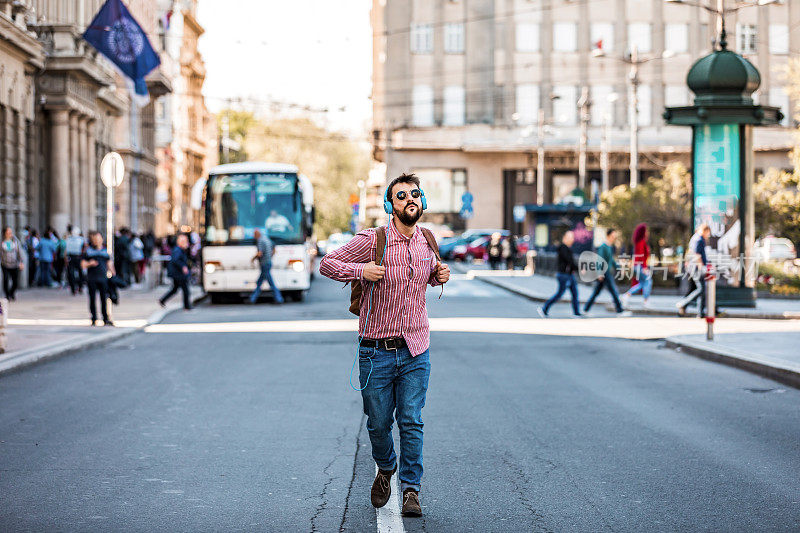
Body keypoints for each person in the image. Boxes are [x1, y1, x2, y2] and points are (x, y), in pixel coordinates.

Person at [319, 172, 450, 518]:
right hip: (375, 350)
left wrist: (439, 274)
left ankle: (410, 490)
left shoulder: (428, 241)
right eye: (401, 195)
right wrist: (362, 272)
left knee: (411, 419)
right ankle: (386, 467)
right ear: (390, 205)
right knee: (378, 423)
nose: (410, 199)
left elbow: (430, 273)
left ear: (421, 201)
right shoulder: (373, 239)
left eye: (415, 194)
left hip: (415, 349)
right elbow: (326, 263)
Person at [538, 231, 582, 317]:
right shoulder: (563, 248)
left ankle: (576, 312)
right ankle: (544, 308)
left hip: (569, 274)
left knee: (575, 293)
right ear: (565, 238)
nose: (572, 239)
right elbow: (569, 261)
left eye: (573, 237)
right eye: (570, 237)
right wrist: (578, 269)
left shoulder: (568, 248)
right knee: (560, 294)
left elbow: (571, 262)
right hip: (564, 275)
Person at [583, 228, 626, 315]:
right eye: (613, 236)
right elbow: (599, 260)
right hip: (605, 272)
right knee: (614, 291)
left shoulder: (609, 247)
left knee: (596, 292)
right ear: (608, 236)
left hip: (607, 272)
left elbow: (611, 261)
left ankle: (586, 309)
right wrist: (599, 273)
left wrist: (619, 268)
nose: (614, 238)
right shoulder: (603, 246)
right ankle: (620, 310)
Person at [81, 231, 115, 326]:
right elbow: (83, 265)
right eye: (95, 239)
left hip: (103, 279)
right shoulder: (88, 251)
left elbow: (109, 264)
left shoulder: (105, 251)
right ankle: (94, 318)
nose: (97, 241)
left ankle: (105, 318)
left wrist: (113, 274)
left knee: (104, 299)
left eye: (99, 239)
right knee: (92, 299)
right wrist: (90, 263)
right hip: (92, 279)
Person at [678, 223, 711, 317]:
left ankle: (699, 312)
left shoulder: (694, 238)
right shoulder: (699, 239)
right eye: (708, 232)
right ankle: (683, 304)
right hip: (696, 268)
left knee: (697, 289)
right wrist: (701, 266)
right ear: (704, 231)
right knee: (701, 289)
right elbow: (697, 254)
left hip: (692, 267)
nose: (708, 235)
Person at [621, 223, 653, 309]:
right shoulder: (642, 242)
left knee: (642, 283)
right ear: (643, 232)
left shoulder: (639, 242)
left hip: (636, 266)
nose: (647, 232)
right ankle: (646, 301)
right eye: (646, 231)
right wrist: (645, 268)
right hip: (640, 266)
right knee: (648, 281)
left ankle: (626, 296)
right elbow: (641, 256)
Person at [248, 228, 284, 304]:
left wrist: (253, 259)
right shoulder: (266, 239)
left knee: (270, 283)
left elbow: (260, 253)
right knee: (259, 282)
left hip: (264, 264)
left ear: (257, 234)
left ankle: (279, 298)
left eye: (254, 235)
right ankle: (252, 299)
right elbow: (274, 249)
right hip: (268, 262)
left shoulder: (260, 241)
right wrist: (270, 256)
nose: (254, 237)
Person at [159, 233, 192, 310]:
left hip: (177, 273)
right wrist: (183, 267)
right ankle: (187, 306)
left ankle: (163, 300)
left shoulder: (180, 250)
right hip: (178, 274)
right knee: (185, 290)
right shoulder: (178, 250)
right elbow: (176, 260)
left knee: (175, 289)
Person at [1, 227, 24, 300]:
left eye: (10, 232)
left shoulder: (15, 241)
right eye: (8, 232)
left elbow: (19, 252)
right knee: (6, 280)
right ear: (5, 233)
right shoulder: (2, 242)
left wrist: (21, 262)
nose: (10, 234)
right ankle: (7, 295)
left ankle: (11, 293)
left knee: (15, 282)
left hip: (14, 264)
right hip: (5, 264)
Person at [65, 227, 86, 295]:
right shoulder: (81, 239)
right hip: (77, 257)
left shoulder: (68, 239)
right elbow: (84, 249)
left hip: (72, 257)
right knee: (78, 273)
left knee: (73, 273)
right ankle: (78, 287)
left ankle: (75, 288)